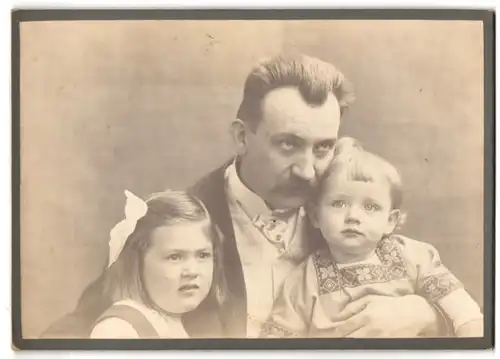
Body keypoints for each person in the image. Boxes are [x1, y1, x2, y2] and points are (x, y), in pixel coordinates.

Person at [184, 52, 448, 338]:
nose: (308, 172)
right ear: (242, 137)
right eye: (287, 144)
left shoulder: (351, 209)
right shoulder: (177, 223)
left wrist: (425, 315)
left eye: (323, 148)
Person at [261, 137, 484, 338]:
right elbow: (279, 341)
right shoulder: (303, 280)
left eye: (370, 206)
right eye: (339, 203)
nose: (353, 217)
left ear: (390, 221)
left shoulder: (413, 257)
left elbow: (463, 311)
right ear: (315, 216)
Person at [46, 189, 226, 338]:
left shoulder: (180, 323)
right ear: (137, 262)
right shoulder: (120, 329)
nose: (192, 271)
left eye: (203, 255)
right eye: (175, 257)